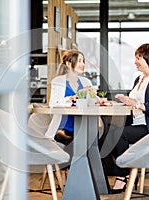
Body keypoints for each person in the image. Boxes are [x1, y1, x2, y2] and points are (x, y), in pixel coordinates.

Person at [106, 43, 149, 193]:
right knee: (106, 132)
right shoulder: (138, 79)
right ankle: (123, 172)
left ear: (148, 58)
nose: (135, 62)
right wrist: (113, 103)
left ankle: (124, 174)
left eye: (138, 58)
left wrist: (137, 104)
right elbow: (131, 103)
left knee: (120, 134)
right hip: (136, 124)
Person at [47, 49, 93, 184]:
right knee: (79, 141)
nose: (82, 64)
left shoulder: (86, 82)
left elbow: (90, 103)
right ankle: (71, 174)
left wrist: (97, 100)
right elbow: (53, 104)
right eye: (79, 61)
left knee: (93, 138)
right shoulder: (58, 81)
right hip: (62, 127)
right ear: (68, 63)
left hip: (82, 125)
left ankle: (68, 171)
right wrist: (71, 98)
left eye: (83, 61)